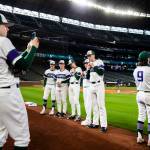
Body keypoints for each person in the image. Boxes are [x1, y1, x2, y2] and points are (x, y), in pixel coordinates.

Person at [0, 14, 39, 149]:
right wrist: (33, 48)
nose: (7, 29)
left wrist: (27, 49)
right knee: (22, 138)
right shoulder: (3, 41)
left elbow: (12, 60)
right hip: (8, 93)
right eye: (5, 26)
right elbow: (22, 65)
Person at [86, 50, 107, 132]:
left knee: (101, 105)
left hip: (99, 85)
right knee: (94, 105)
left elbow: (101, 72)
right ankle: (95, 123)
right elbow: (87, 77)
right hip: (91, 85)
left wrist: (93, 65)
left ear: (93, 55)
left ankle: (104, 125)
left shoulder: (99, 61)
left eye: (90, 55)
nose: (88, 57)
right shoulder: (89, 64)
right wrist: (88, 69)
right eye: (87, 56)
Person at [133, 51, 150, 146]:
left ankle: (139, 137)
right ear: (146, 59)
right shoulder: (149, 69)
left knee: (141, 116)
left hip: (139, 94)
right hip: (148, 94)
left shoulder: (136, 70)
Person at [81, 59, 92, 126]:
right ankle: (88, 119)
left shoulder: (91, 71)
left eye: (87, 63)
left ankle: (88, 120)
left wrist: (87, 71)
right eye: (85, 63)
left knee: (88, 105)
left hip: (89, 88)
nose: (85, 64)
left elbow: (88, 78)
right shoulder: (85, 71)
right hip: (85, 89)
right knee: (86, 104)